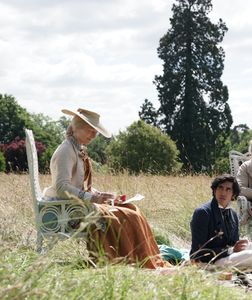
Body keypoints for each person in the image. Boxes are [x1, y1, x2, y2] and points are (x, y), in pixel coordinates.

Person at [44, 108, 170, 269]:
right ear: (76, 128)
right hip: (67, 210)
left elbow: (78, 185)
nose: (94, 136)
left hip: (76, 205)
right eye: (91, 131)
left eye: (95, 132)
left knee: (131, 208)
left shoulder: (76, 149)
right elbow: (62, 187)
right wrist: (93, 198)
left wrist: (99, 194)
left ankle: (141, 258)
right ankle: (126, 261)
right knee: (125, 215)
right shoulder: (66, 151)